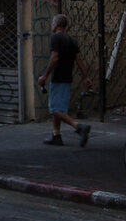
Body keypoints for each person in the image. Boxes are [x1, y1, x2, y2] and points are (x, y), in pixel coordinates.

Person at [37, 14, 93, 147]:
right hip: (68, 77)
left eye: (52, 23)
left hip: (58, 77)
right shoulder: (72, 40)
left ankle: (79, 127)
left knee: (54, 109)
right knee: (58, 107)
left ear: (56, 24)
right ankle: (56, 135)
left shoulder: (56, 38)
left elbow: (54, 57)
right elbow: (79, 60)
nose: (52, 25)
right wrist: (86, 76)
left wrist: (45, 75)